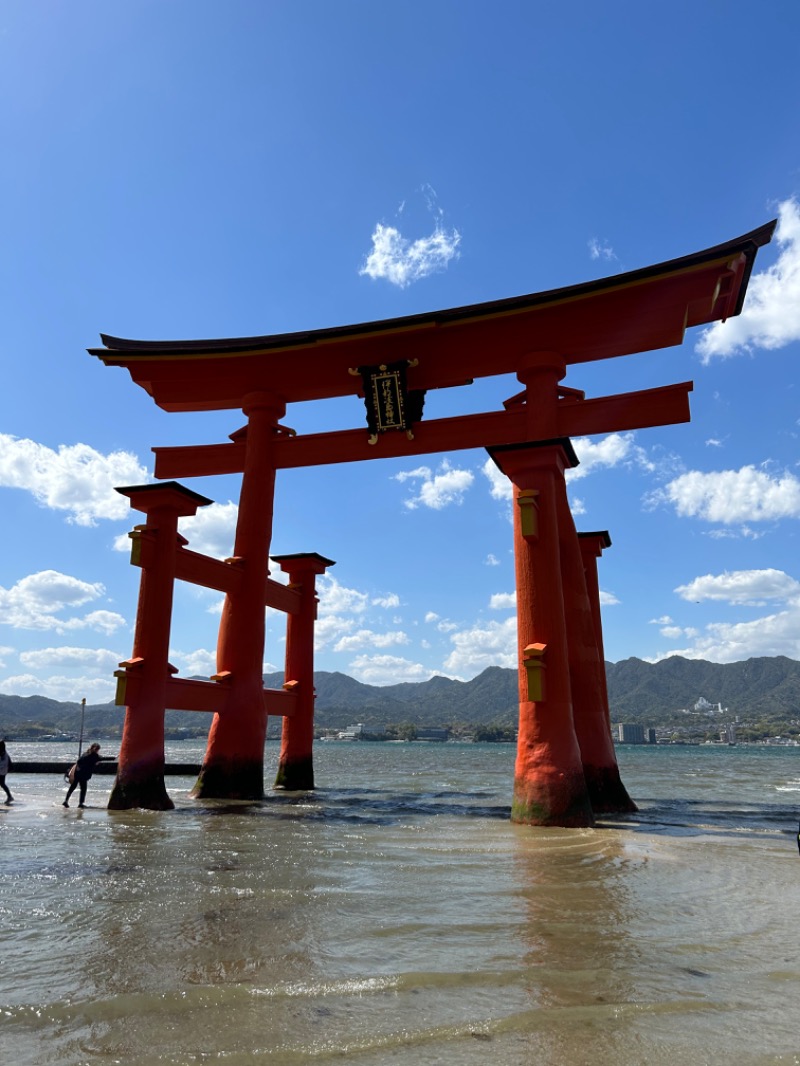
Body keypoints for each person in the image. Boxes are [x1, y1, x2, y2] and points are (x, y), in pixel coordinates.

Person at [63, 743, 113, 808]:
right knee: (83, 789)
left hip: (77, 773)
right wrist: (114, 758)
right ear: (96, 749)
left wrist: (79, 767)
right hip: (83, 775)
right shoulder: (94, 756)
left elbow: (79, 761)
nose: (97, 751)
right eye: (97, 749)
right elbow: (103, 758)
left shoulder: (85, 754)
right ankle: (80, 803)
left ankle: (66, 801)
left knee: (72, 787)